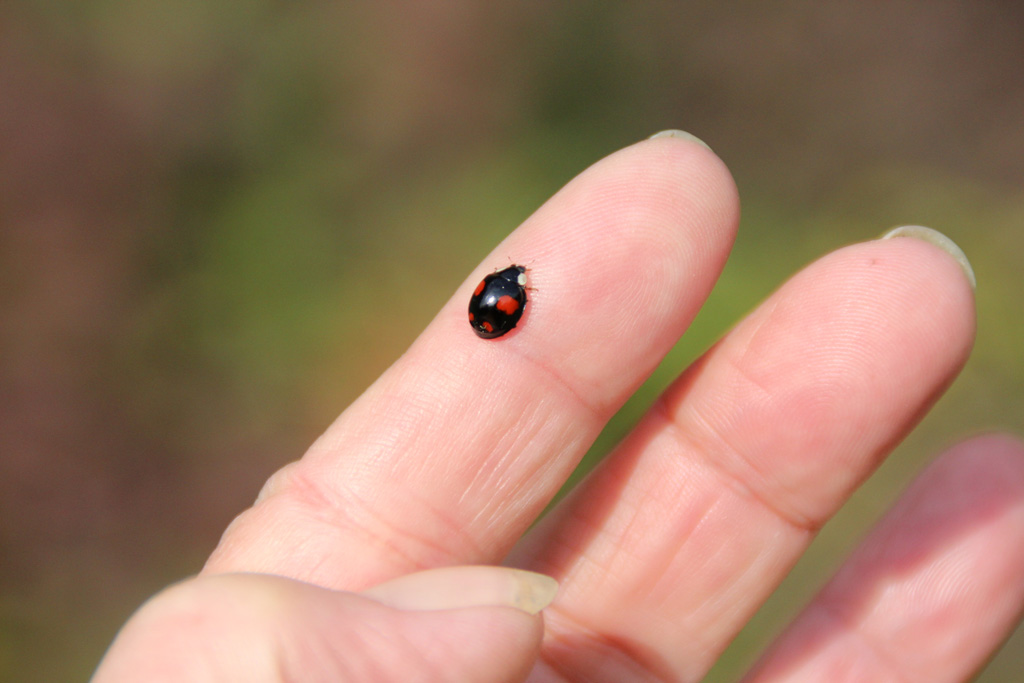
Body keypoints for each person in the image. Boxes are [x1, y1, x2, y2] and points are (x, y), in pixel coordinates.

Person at [93, 131, 1024, 682]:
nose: (502, 292)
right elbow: (499, 306)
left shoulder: (504, 294)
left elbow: (497, 305)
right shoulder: (507, 295)